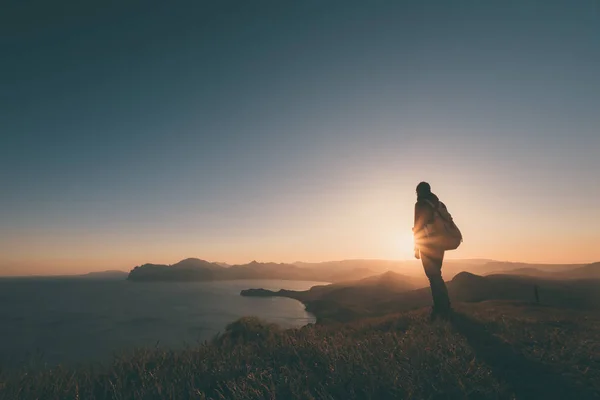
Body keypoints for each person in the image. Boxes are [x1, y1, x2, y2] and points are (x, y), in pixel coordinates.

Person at [412, 181, 452, 320]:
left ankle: (441, 307)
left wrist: (416, 247)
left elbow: (417, 227)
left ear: (419, 192)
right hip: (440, 243)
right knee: (436, 274)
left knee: (432, 275)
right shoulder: (439, 204)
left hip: (428, 244)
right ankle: (444, 305)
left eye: (417, 192)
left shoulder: (420, 205)